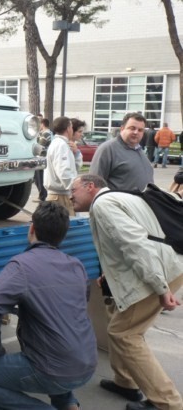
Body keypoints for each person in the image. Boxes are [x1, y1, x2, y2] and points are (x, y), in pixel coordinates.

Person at [0, 201, 97, 410]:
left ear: (31, 228)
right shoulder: (76, 265)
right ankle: (68, 405)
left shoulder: (23, 265)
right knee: (56, 344)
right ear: (63, 235)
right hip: (86, 363)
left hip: (53, 370)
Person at [70, 174, 183, 410]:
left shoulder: (102, 205)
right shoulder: (117, 198)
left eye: (74, 190)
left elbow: (136, 245)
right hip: (167, 263)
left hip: (161, 270)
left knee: (125, 333)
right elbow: (120, 246)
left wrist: (160, 288)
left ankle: (167, 402)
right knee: (122, 326)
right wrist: (109, 274)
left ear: (90, 187)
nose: (70, 195)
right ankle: (126, 382)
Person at [90, 112, 153, 191]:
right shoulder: (108, 149)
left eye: (140, 130)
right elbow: (95, 183)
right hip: (118, 203)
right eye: (132, 128)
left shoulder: (139, 149)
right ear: (122, 129)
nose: (136, 132)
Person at [44, 116, 76, 215]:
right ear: (68, 128)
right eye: (71, 127)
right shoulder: (61, 145)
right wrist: (74, 188)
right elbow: (63, 172)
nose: (72, 130)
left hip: (58, 195)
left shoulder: (58, 143)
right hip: (60, 198)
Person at [33, 118, 52, 202]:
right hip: (44, 159)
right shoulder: (48, 133)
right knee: (40, 178)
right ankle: (43, 195)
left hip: (41, 159)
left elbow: (39, 146)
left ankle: (42, 196)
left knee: (39, 179)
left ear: (42, 124)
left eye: (39, 124)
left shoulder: (45, 135)